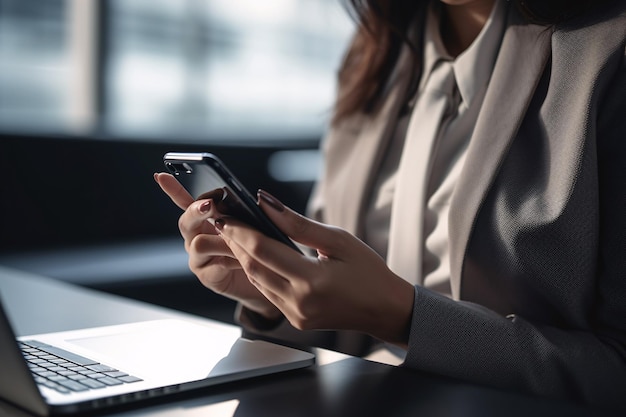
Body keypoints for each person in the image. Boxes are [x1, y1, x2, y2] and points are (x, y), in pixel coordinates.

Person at [155, 0, 626, 410]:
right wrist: (272, 291)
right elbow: (337, 318)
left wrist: (401, 316)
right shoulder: (373, 54)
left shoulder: (609, 53)